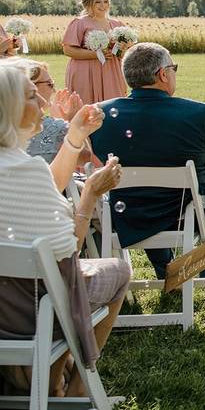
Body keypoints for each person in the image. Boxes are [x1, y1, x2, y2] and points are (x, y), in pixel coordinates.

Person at [0, 62, 130, 398]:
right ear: (9, 107)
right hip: (32, 315)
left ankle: (31, 378)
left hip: (5, 306)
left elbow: (43, 187)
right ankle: (74, 391)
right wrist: (89, 196)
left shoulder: (18, 168)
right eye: (32, 96)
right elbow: (66, 255)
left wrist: (74, 137)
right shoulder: (26, 170)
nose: (43, 104)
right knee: (118, 270)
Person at [89, 43, 205, 290]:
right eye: (173, 68)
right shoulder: (198, 112)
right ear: (163, 74)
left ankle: (168, 272)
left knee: (147, 197)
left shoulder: (101, 112)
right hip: (186, 211)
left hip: (129, 212)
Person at [62, 0, 129, 104]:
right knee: (86, 109)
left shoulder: (117, 24)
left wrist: (122, 50)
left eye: (105, 1)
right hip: (86, 72)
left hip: (111, 72)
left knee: (113, 106)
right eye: (97, 2)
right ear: (88, 4)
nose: (102, 5)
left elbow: (122, 54)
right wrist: (96, 54)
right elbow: (68, 50)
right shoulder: (79, 23)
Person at [22, 60, 91, 164]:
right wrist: (74, 122)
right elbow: (85, 157)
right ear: (31, 86)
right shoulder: (53, 127)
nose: (54, 90)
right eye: (50, 84)